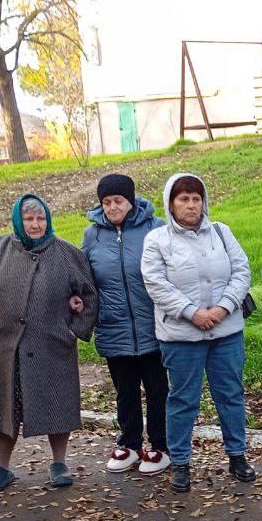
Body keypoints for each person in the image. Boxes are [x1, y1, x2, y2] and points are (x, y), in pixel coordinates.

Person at [0, 194, 99, 495]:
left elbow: (89, 294)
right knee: (5, 408)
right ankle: (1, 467)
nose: (36, 224)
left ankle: (59, 464)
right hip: (3, 346)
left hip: (52, 343)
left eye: (40, 219)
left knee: (57, 403)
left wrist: (75, 330)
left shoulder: (66, 253)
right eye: (29, 219)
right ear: (18, 220)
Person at [141, 172, 255, 494]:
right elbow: (155, 283)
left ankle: (237, 455)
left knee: (230, 394)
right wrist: (192, 313)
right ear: (171, 204)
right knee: (182, 399)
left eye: (196, 198)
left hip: (226, 331)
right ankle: (180, 462)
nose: (191, 205)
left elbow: (241, 271)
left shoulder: (221, 232)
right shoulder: (157, 240)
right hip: (181, 336)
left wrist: (223, 308)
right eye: (183, 199)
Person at [82, 174, 170, 475]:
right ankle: (130, 444)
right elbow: (86, 279)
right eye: (106, 202)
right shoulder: (92, 235)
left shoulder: (155, 228)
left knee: (158, 389)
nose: (112, 207)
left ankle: (161, 445)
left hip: (153, 326)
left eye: (118, 200)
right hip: (113, 326)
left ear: (130, 200)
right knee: (125, 390)